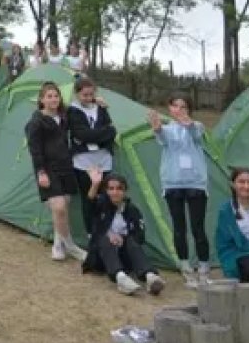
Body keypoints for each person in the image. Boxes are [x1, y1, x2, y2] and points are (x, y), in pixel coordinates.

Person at [149, 96, 211, 287]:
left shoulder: (197, 126)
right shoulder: (167, 129)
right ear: (169, 108)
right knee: (179, 227)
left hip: (196, 183)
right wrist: (157, 128)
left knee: (198, 227)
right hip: (173, 183)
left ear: (189, 109)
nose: (179, 109)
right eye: (175, 106)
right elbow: (161, 139)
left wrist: (188, 124)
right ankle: (186, 268)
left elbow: (197, 137)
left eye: (183, 106)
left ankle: (203, 269)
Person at [26, 82, 88, 262]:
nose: (53, 99)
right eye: (49, 96)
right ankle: (71, 246)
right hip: (48, 169)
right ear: (41, 100)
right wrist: (41, 172)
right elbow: (35, 150)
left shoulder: (63, 116)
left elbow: (81, 106)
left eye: (56, 96)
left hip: (66, 167)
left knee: (63, 207)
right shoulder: (36, 122)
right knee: (59, 207)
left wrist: (96, 102)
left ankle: (58, 245)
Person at [82, 167, 165, 295]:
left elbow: (140, 236)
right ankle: (120, 278)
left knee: (131, 241)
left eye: (119, 188)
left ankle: (150, 276)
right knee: (104, 239)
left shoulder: (132, 210)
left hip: (124, 258)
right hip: (101, 258)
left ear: (125, 191)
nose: (115, 192)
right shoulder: (101, 205)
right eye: (111, 189)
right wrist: (95, 184)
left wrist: (123, 238)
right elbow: (89, 205)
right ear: (106, 191)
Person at [67, 77, 117, 239]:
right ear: (77, 94)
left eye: (91, 94)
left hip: (104, 160)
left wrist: (94, 136)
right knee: (88, 198)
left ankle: (105, 230)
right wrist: (99, 136)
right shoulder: (72, 111)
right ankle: (91, 234)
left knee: (105, 197)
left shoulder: (101, 107)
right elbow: (82, 134)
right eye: (85, 95)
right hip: (83, 162)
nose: (88, 98)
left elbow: (111, 131)